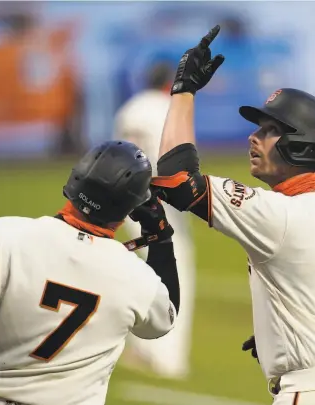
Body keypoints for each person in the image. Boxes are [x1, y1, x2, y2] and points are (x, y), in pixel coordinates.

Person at [151, 25, 315, 405]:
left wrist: (184, 91)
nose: (254, 137)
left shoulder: (277, 213)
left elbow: (176, 179)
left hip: (314, 394)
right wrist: (298, 325)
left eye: (269, 130)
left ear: (301, 145)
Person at [0, 140, 179, 405]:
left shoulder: (3, 236)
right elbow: (166, 317)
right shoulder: (137, 278)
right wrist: (161, 240)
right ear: (131, 208)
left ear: (75, 178)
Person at [113, 61, 195, 379]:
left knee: (143, 273)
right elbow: (179, 159)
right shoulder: (169, 108)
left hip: (129, 199)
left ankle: (141, 349)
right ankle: (168, 360)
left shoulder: (128, 109)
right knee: (176, 276)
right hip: (162, 201)